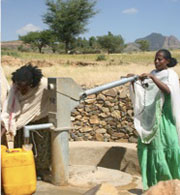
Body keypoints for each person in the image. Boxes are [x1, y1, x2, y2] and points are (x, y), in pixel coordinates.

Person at [128, 49, 180, 190]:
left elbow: (169, 91)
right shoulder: (154, 73)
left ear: (167, 61)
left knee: (170, 146)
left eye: (160, 59)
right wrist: (135, 82)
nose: (157, 62)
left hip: (164, 118)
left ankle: (172, 184)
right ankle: (154, 186)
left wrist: (153, 78)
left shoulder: (171, 74)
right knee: (151, 151)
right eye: (155, 59)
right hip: (151, 119)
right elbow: (146, 92)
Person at [1, 63, 50, 143]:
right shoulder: (15, 87)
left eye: (24, 89)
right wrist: (8, 124)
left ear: (31, 84)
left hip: (40, 123)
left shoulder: (43, 85)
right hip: (19, 125)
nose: (21, 91)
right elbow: (9, 108)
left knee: (39, 151)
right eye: (19, 88)